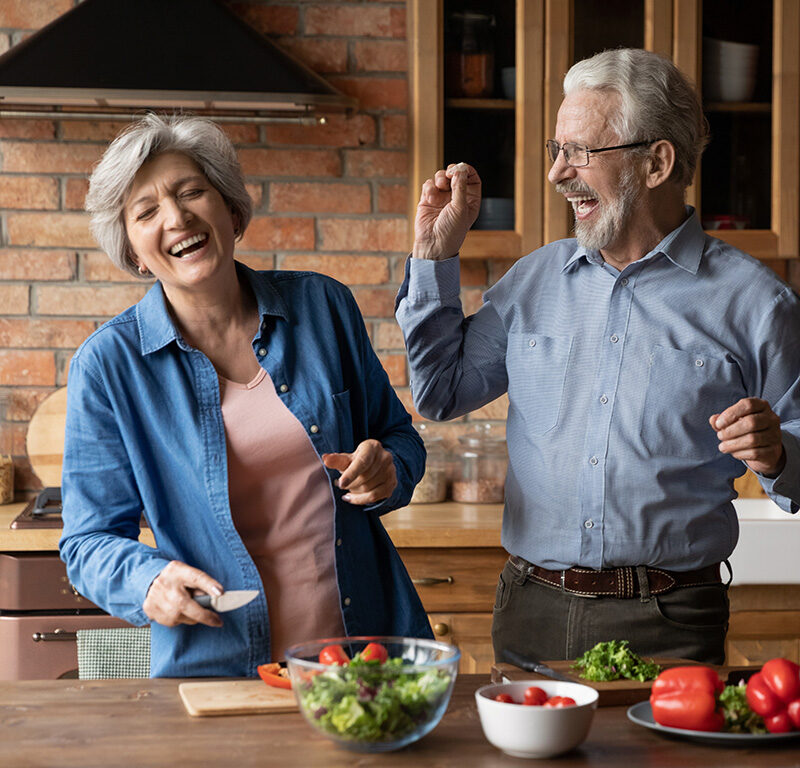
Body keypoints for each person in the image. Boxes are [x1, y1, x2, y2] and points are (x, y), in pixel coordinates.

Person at [396, 48, 800, 665]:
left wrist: (776, 452)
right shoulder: (533, 280)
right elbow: (440, 392)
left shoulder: (757, 302)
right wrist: (433, 254)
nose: (558, 174)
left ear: (657, 162)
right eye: (557, 151)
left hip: (671, 620)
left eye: (581, 152)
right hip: (530, 608)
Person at [60, 114, 431, 678]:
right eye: (147, 211)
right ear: (134, 251)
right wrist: (148, 581)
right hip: (220, 667)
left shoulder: (322, 308)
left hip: (365, 656)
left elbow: (399, 439)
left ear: (230, 210)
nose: (177, 217)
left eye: (191, 193)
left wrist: (389, 468)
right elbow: (87, 543)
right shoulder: (109, 366)